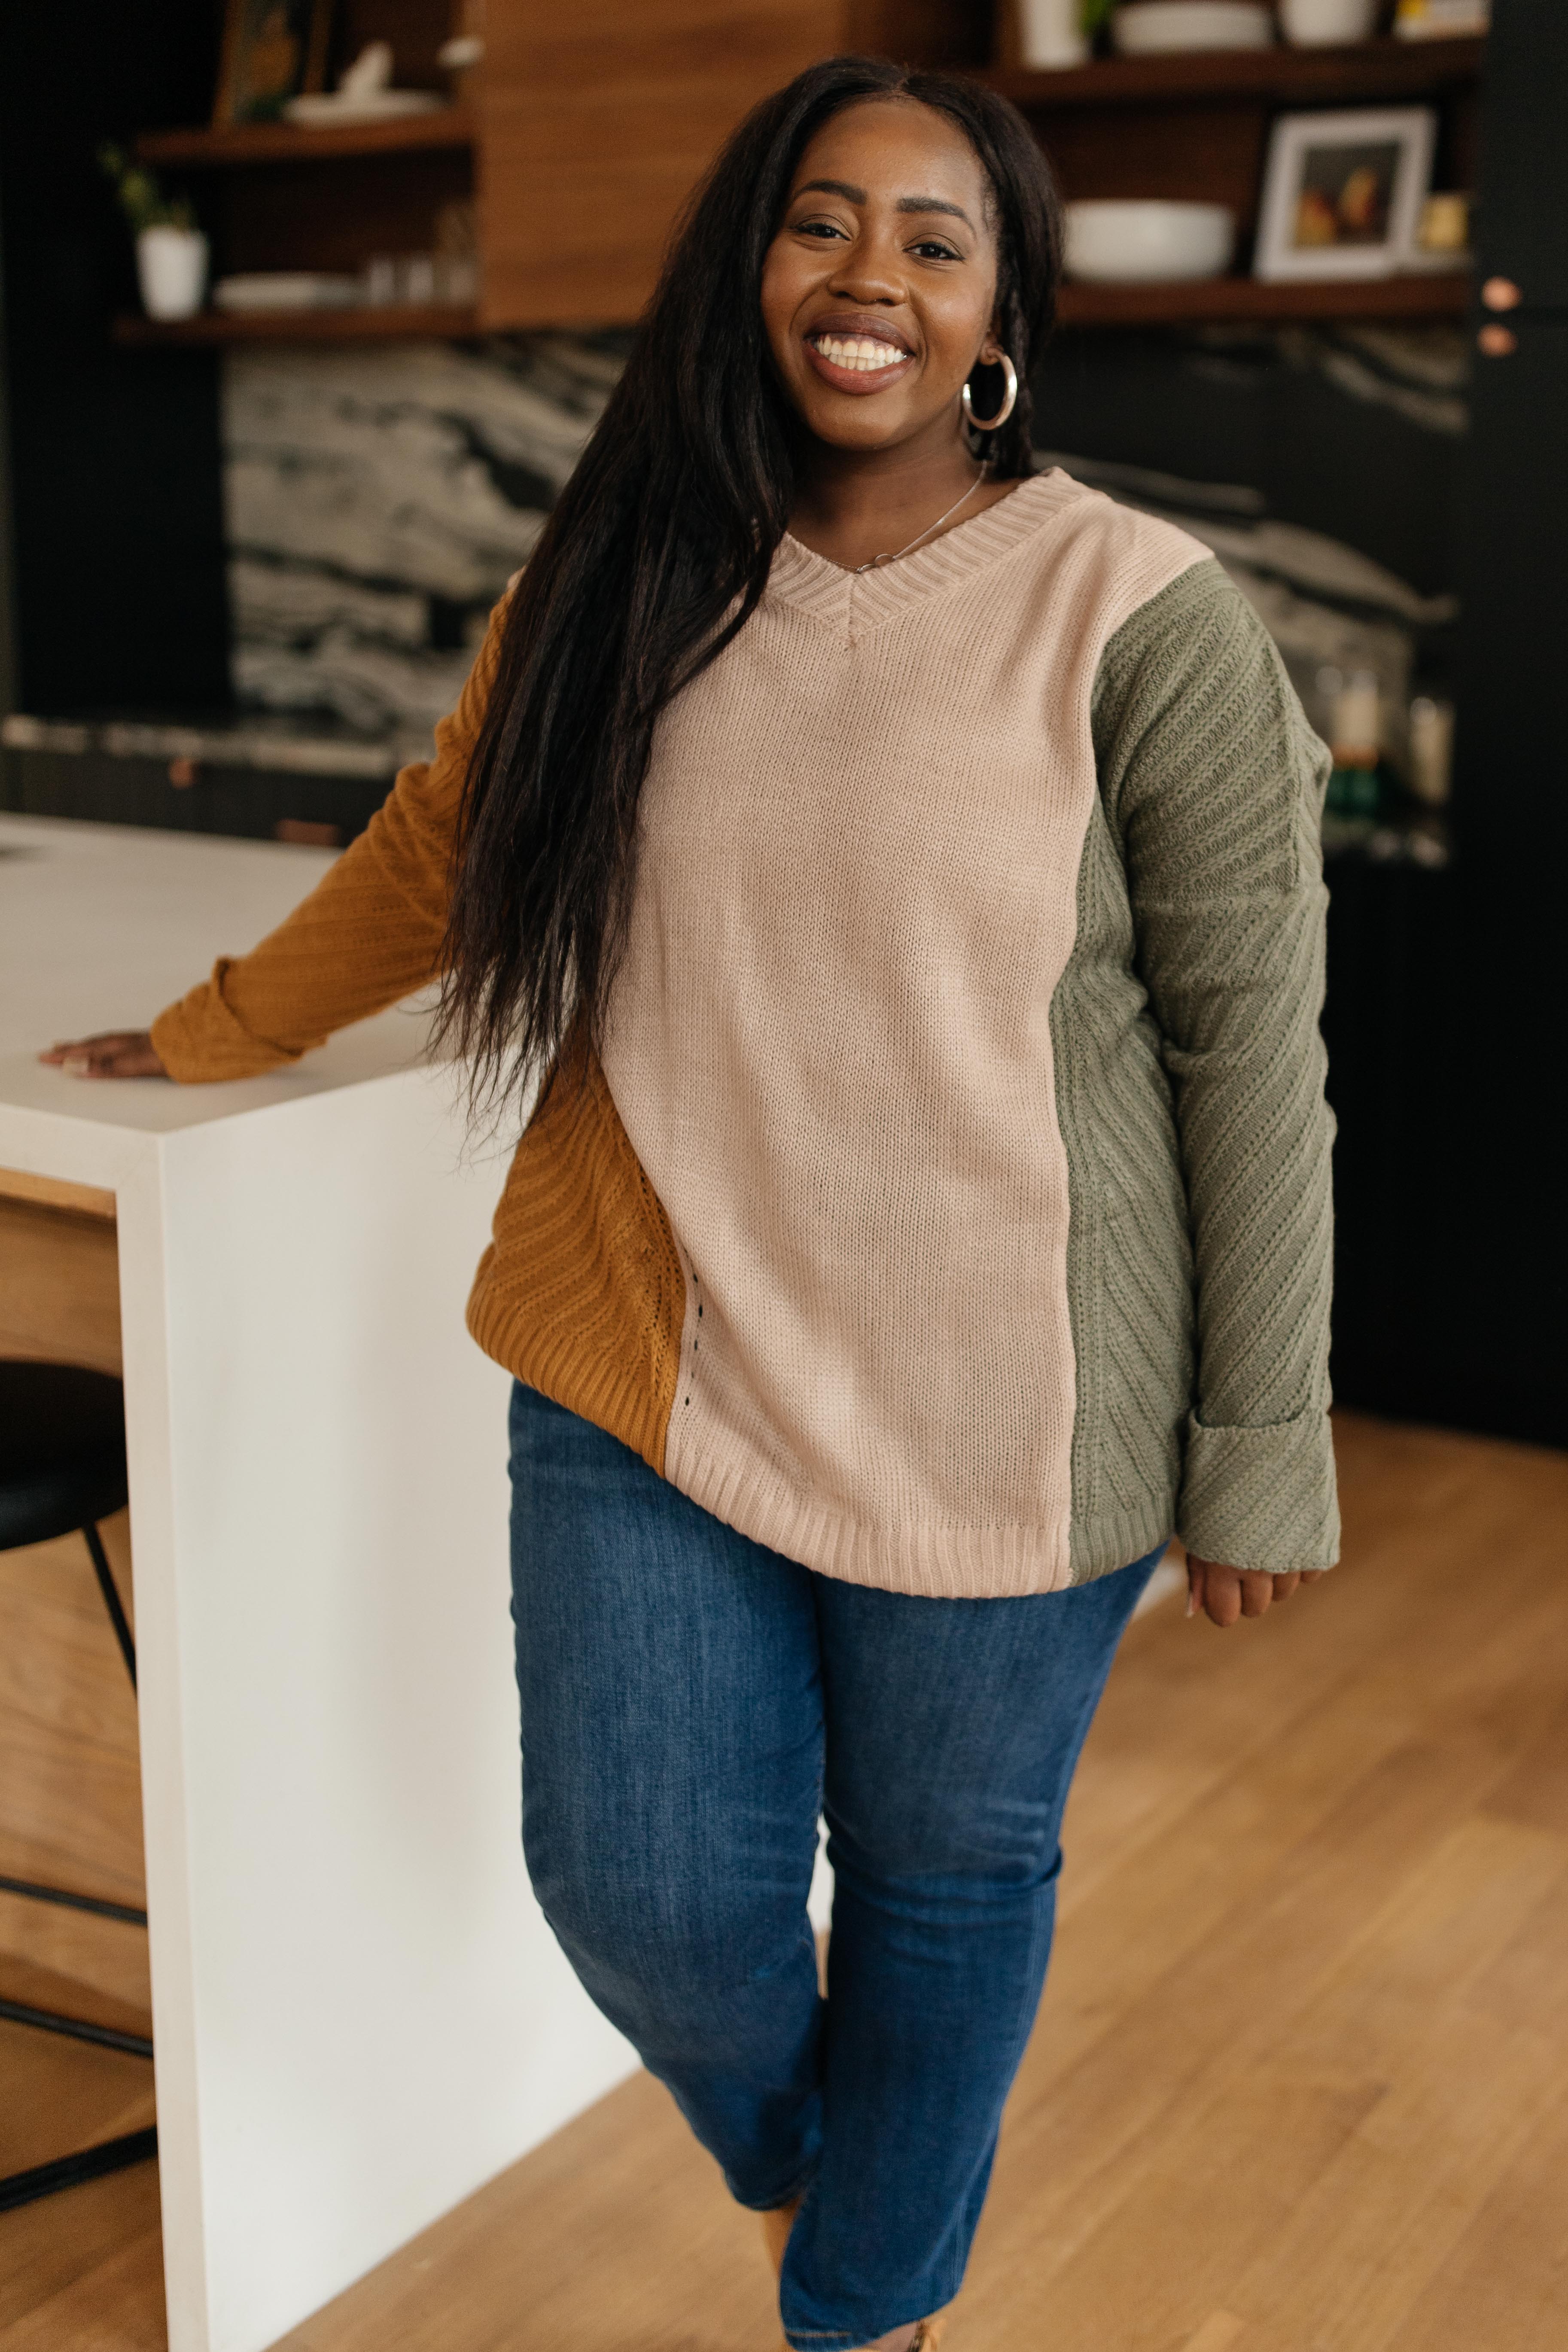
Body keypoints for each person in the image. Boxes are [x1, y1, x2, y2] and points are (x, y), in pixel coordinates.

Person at [43, 56, 1337, 2352]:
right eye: (818, 222)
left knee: (946, 1888)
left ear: (1001, 305)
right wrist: (220, 1025)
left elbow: (1247, 1052)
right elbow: (450, 849)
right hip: (655, 1345)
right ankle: (824, 2167)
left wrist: (1259, 1438)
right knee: (639, 1885)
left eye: (935, 239)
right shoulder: (623, 577)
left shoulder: (1139, 611)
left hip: (1016, 1392)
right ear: (746, 268)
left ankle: (858, 2308)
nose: (870, 280)